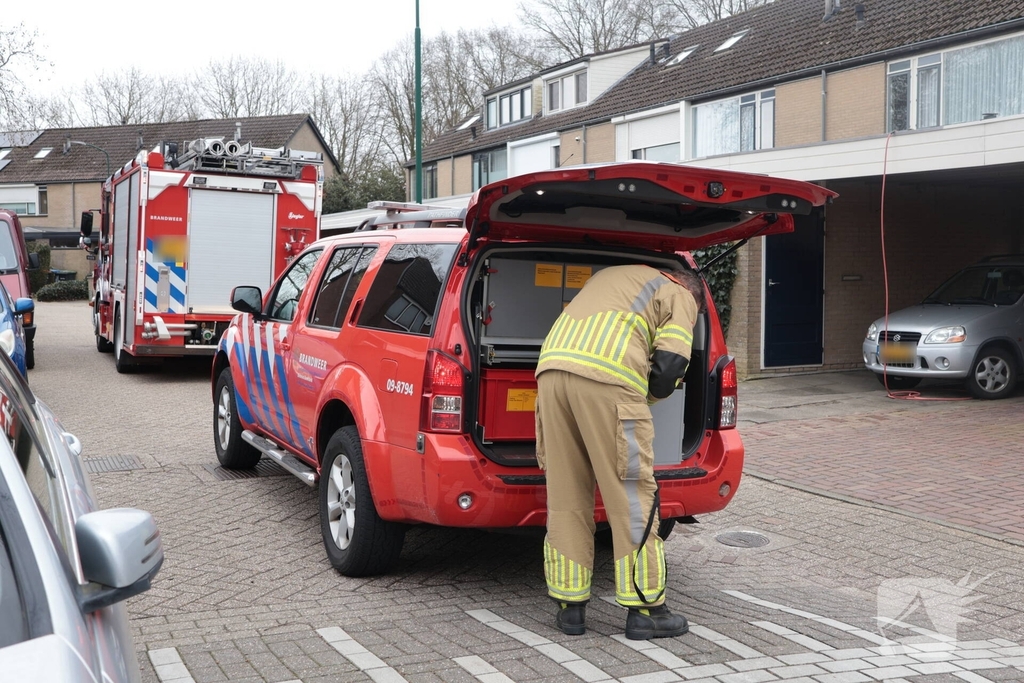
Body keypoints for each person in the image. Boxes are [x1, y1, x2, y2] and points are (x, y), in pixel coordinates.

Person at [535, 262, 705, 641]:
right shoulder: (679, 292)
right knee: (631, 496)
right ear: (691, 289)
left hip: (550, 375)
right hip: (608, 380)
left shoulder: (610, 277)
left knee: (566, 495)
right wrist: (639, 401)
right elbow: (669, 366)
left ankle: (570, 608)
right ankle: (645, 610)